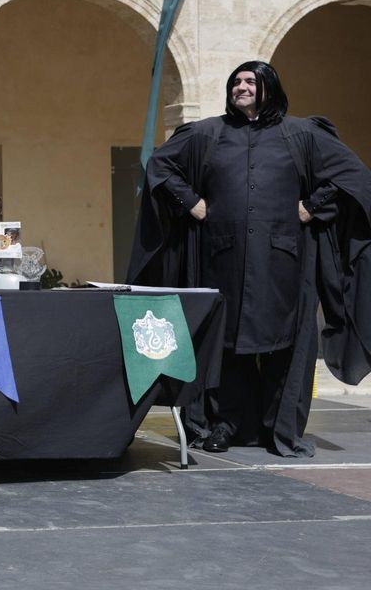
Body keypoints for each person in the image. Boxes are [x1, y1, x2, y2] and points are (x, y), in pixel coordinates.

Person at [129, 60, 371, 458]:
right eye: (235, 82)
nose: (240, 87)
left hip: (284, 263)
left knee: (283, 345)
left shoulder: (302, 134)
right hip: (221, 258)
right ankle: (224, 426)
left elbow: (352, 174)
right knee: (226, 346)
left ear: (269, 87)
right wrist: (191, 202)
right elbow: (160, 164)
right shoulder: (207, 133)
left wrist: (314, 204)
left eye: (249, 81)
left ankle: (278, 429)